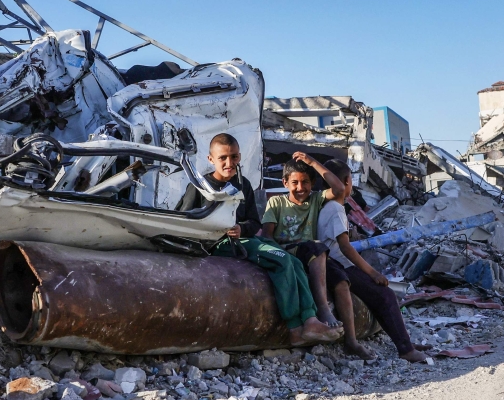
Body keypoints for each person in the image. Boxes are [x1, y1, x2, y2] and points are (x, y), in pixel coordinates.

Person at [177, 134, 341, 344]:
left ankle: (309, 319)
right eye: (223, 158)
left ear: (240, 157)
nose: (229, 163)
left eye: (234, 157)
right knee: (280, 260)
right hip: (217, 244)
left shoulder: (243, 184)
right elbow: (184, 220)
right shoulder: (199, 186)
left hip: (242, 240)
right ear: (211, 160)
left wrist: (241, 228)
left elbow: (254, 222)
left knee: (294, 261)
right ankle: (293, 327)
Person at [316, 159, 430, 363]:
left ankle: (406, 342)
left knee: (384, 296)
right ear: (346, 182)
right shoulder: (335, 208)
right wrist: (373, 273)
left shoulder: (328, 207)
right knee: (385, 295)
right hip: (341, 265)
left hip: (335, 262)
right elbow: (345, 247)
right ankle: (405, 349)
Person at [262, 152, 346, 329]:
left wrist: (312, 162)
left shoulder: (315, 200)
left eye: (305, 182)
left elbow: (339, 189)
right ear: (285, 183)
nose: (300, 187)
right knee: (316, 248)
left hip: (309, 252)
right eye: (295, 182)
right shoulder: (276, 202)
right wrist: (281, 255)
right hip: (284, 251)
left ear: (312, 183)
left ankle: (324, 308)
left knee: (335, 269)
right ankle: (322, 308)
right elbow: (267, 235)